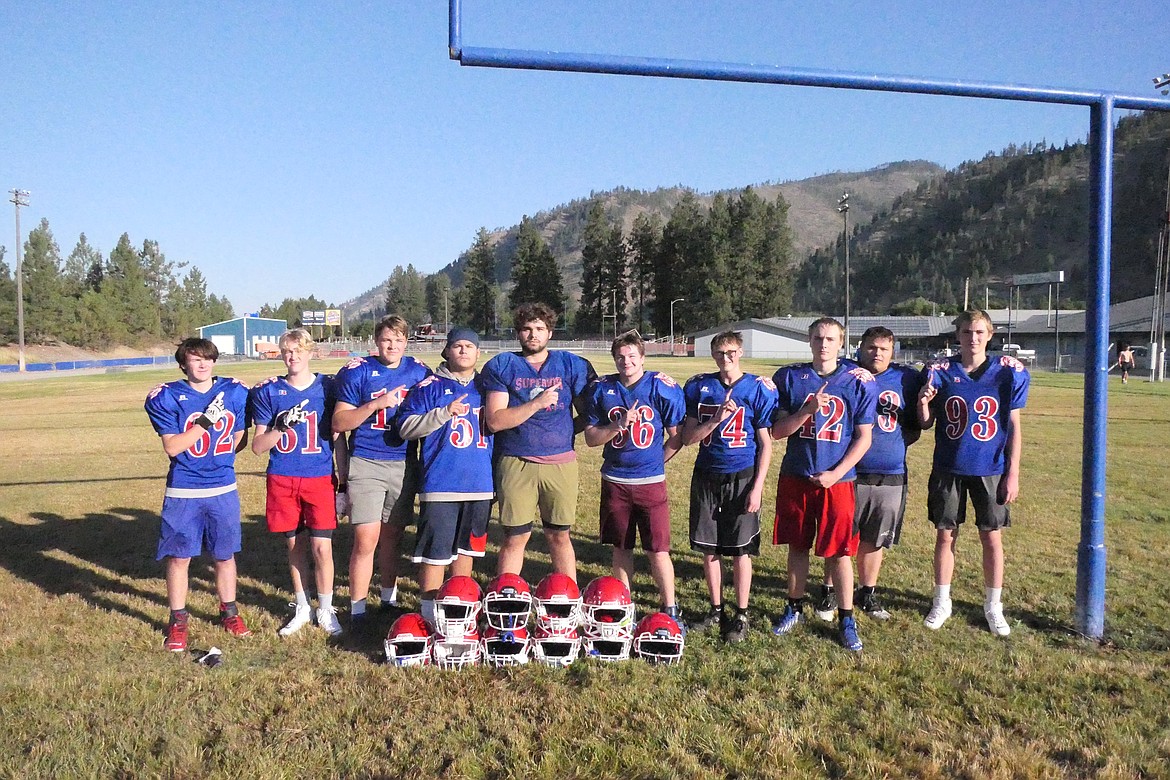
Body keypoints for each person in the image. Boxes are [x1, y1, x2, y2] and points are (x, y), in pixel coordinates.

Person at [917, 308, 1029, 637]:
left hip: (990, 466)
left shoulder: (1008, 372)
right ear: (958, 335)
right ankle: (942, 600)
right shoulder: (940, 370)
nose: (973, 337)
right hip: (949, 466)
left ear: (990, 335)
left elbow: (1014, 427)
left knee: (991, 537)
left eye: (979, 332)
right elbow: (925, 424)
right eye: (967, 332)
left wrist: (1014, 473)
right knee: (945, 534)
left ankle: (993, 606)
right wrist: (923, 404)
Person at [770, 317, 875, 653]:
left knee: (841, 551)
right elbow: (777, 431)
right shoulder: (790, 377)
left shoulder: (858, 380)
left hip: (838, 480)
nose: (824, 343)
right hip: (796, 473)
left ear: (841, 343)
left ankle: (846, 617)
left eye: (831, 338)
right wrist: (807, 411)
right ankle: (795, 607)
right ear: (810, 340)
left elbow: (864, 438)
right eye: (818, 338)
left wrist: (837, 471)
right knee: (797, 546)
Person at [144, 337, 252, 652]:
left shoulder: (234, 392)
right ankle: (177, 620)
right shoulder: (169, 396)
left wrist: (220, 451)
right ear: (183, 364)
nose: (202, 364)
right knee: (180, 557)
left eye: (207, 358)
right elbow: (173, 447)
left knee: (225, 554)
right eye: (195, 359)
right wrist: (204, 424)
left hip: (222, 486)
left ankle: (229, 610)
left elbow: (239, 438)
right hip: (184, 488)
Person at [481, 303, 597, 581]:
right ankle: (506, 599)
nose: (533, 334)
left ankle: (568, 600)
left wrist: (565, 430)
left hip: (560, 462)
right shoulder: (503, 365)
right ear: (518, 333)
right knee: (514, 537)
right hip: (516, 461)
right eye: (527, 329)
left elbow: (589, 414)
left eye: (539, 329)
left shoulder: (570, 364)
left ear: (550, 333)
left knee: (560, 535)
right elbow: (495, 421)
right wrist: (537, 404)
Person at [332, 315, 431, 632]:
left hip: (404, 463)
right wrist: (375, 404)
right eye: (388, 339)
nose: (393, 345)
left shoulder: (418, 371)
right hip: (367, 461)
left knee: (393, 538)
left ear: (407, 342)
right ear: (377, 340)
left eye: (399, 340)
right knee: (366, 539)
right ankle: (358, 610)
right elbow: (339, 423)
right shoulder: (358, 371)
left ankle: (388, 600)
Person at [249, 328, 348, 638]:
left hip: (319, 476)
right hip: (283, 476)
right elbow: (258, 446)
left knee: (322, 547)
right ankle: (303, 606)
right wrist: (279, 427)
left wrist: (343, 484)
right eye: (287, 351)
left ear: (310, 353)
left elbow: (339, 437)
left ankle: (326, 608)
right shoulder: (269, 391)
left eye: (298, 351)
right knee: (295, 545)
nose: (292, 357)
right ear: (281, 354)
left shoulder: (327, 388)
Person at [583, 331, 686, 629]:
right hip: (615, 479)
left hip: (650, 482)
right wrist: (616, 426)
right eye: (620, 357)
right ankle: (625, 606)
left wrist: (657, 461)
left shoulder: (659, 387)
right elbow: (591, 438)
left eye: (631, 356)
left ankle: (671, 606)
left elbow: (677, 437)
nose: (625, 362)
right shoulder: (603, 389)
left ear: (642, 358)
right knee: (621, 546)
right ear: (613, 359)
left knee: (658, 550)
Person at [680, 331, 776, 643]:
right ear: (713, 354)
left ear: (741, 351)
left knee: (740, 549)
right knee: (709, 549)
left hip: (742, 475)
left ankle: (742, 613)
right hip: (707, 474)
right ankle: (716, 609)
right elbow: (688, 438)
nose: (726, 358)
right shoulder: (699, 386)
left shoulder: (757, 388)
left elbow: (766, 443)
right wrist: (715, 420)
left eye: (731, 351)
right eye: (720, 352)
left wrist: (758, 487)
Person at [398, 328, 494, 627]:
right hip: (441, 483)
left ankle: (458, 608)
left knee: (467, 551)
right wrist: (442, 413)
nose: (463, 351)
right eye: (457, 346)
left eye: (469, 346)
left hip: (479, 484)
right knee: (436, 554)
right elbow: (405, 428)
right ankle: (428, 615)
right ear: (446, 351)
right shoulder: (429, 386)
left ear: (478, 353)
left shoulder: (488, 387)